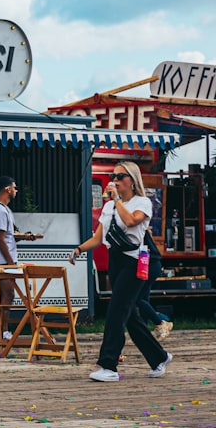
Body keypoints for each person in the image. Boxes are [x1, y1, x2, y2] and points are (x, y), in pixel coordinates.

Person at [70, 161, 173, 382]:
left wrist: (116, 199)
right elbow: (99, 238)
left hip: (134, 262)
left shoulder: (142, 202)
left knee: (116, 311)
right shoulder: (108, 207)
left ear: (132, 181)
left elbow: (131, 220)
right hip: (115, 261)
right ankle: (159, 357)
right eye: (113, 176)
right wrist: (79, 249)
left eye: (120, 176)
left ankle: (108, 365)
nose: (115, 180)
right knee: (130, 316)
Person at [0, 176, 36, 341]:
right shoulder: (0, 211)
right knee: (7, 295)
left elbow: (9, 236)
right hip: (3, 260)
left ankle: (2, 330)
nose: (16, 190)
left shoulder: (5, 210)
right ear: (7, 189)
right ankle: (3, 331)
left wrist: (24, 237)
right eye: (14, 187)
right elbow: (1, 239)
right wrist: (10, 262)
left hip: (4, 259)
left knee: (3, 296)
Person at [135, 232, 173, 341]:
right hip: (150, 263)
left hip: (148, 264)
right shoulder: (141, 228)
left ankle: (160, 323)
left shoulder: (135, 227)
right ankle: (144, 334)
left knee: (136, 298)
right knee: (143, 298)